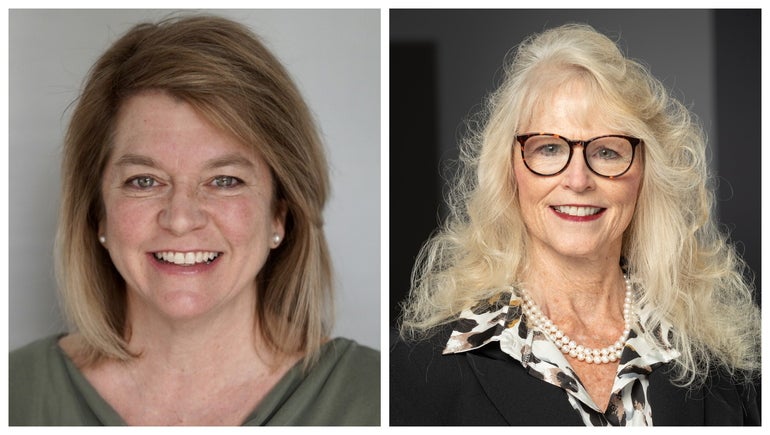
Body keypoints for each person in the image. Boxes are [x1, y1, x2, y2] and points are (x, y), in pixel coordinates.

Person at [10, 14, 379, 426]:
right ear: (98, 213)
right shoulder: (14, 394)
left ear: (279, 212)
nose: (181, 219)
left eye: (224, 180)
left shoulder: (379, 398)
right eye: (144, 180)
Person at [390, 23, 760, 426]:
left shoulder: (719, 359)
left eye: (607, 151)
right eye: (549, 148)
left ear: (645, 172)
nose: (579, 180)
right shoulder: (419, 370)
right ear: (510, 170)